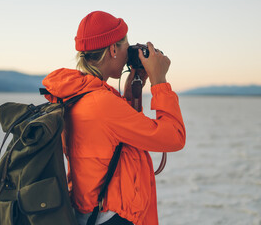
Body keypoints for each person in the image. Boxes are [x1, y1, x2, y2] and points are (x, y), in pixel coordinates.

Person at [42, 11, 186, 225]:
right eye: (126, 45)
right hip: (111, 218)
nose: (130, 52)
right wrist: (160, 82)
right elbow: (174, 137)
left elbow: (116, 141)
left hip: (88, 213)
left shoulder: (76, 94)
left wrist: (131, 92)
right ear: (112, 49)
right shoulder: (102, 102)